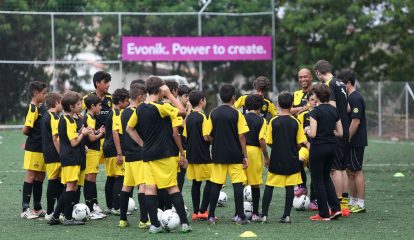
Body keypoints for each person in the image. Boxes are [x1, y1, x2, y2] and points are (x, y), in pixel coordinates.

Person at [126, 76, 192, 233]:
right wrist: (169, 95)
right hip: (165, 153)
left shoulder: (140, 108)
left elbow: (129, 128)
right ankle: (184, 223)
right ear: (160, 90)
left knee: (150, 189)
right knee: (172, 187)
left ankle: (154, 225)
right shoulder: (162, 107)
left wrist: (143, 144)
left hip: (148, 154)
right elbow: (182, 112)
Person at [205, 84, 250, 225]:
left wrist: (217, 141)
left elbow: (206, 136)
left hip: (218, 154)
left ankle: (210, 216)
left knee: (216, 184)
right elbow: (242, 136)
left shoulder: (213, 113)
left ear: (220, 97)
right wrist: (245, 155)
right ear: (233, 97)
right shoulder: (237, 113)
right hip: (235, 154)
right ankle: (240, 216)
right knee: (237, 184)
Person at [261, 91, 307, 224]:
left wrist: (277, 146)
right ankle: (286, 216)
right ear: (292, 104)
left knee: (269, 186)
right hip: (292, 159)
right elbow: (300, 142)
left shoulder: (273, 121)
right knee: (289, 187)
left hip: (276, 159)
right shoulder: (296, 122)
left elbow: (268, 140)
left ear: (278, 104)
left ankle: (264, 215)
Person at [48, 91, 92, 225]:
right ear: (71, 107)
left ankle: (55, 216)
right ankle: (67, 218)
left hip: (68, 157)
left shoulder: (64, 119)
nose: (81, 105)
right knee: (71, 187)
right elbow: (73, 142)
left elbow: (67, 139)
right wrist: (83, 134)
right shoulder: (70, 120)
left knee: (70, 187)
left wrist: (80, 134)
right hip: (71, 158)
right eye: (78, 104)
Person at [314, 60, 350, 216]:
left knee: (334, 170)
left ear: (317, 72)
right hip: (345, 127)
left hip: (333, 132)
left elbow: (332, 108)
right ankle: (344, 205)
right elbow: (347, 107)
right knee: (342, 168)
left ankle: (337, 206)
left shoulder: (330, 85)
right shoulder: (341, 83)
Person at [305, 83, 343, 221]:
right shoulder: (334, 110)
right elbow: (340, 132)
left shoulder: (315, 111)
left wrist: (307, 130)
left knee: (317, 180)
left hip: (318, 148)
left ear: (317, 96)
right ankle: (336, 209)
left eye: (313, 95)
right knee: (327, 177)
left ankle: (323, 213)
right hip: (332, 147)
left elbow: (313, 134)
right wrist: (328, 131)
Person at [118, 83, 150, 228]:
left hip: (128, 155)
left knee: (126, 186)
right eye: (144, 98)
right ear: (139, 97)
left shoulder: (123, 112)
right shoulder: (137, 112)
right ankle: (144, 220)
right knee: (142, 186)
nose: (145, 100)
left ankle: (122, 219)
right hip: (139, 154)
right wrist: (144, 144)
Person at [338, 70, 367, 213]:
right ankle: (353, 200)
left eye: (342, 84)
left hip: (356, 140)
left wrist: (347, 138)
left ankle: (360, 204)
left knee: (357, 171)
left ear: (348, 83)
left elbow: (356, 121)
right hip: (350, 141)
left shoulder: (355, 98)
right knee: (349, 171)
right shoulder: (349, 97)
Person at [183, 90, 212, 221]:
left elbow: (185, 135)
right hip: (203, 155)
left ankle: (196, 212)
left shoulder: (188, 117)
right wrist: (215, 139)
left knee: (196, 183)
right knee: (211, 182)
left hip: (191, 155)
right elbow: (206, 137)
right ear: (202, 101)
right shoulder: (203, 117)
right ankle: (203, 210)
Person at [21, 81, 47, 219]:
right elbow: (25, 129)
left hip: (42, 148)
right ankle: (25, 209)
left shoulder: (41, 107)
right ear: (36, 94)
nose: (45, 95)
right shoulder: (32, 109)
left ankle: (37, 207)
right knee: (31, 176)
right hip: (34, 148)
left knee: (41, 177)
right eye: (44, 93)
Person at [103, 88, 129, 215]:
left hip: (107, 148)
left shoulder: (110, 112)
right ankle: (116, 207)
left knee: (111, 177)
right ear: (121, 101)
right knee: (119, 177)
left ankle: (109, 206)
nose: (128, 103)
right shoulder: (117, 113)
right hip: (115, 149)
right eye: (127, 100)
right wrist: (119, 153)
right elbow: (115, 132)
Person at [243, 94, 269, 222]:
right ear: (260, 107)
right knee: (255, 185)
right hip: (254, 152)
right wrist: (266, 157)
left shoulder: (241, 117)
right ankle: (254, 213)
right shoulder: (262, 120)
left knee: (240, 184)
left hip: (241, 152)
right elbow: (262, 140)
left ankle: (240, 213)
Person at [82, 94, 106, 219]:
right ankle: (90, 209)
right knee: (89, 179)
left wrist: (97, 131)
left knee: (92, 179)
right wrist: (100, 134)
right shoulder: (89, 117)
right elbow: (91, 138)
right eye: (99, 105)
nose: (101, 107)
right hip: (91, 152)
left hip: (93, 152)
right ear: (92, 106)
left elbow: (90, 133)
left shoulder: (91, 117)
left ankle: (92, 207)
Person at [41, 92, 63, 220]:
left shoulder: (45, 116)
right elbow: (56, 139)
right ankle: (50, 211)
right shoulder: (54, 117)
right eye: (60, 102)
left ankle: (56, 210)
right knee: (54, 182)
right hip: (55, 154)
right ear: (56, 103)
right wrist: (62, 154)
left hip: (48, 153)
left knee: (57, 181)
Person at [296, 93, 319, 210]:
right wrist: (306, 143)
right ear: (308, 101)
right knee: (298, 160)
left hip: (318, 149)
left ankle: (314, 200)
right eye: (312, 99)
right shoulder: (303, 115)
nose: (314, 101)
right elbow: (299, 133)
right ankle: (302, 185)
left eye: (316, 99)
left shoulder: (321, 113)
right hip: (306, 148)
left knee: (315, 174)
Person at [177, 84, 192, 191]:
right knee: (178, 177)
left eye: (189, 96)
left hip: (187, 146)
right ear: (179, 96)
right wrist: (189, 112)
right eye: (186, 96)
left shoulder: (188, 108)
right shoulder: (176, 108)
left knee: (182, 176)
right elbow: (182, 125)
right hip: (178, 148)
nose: (188, 99)